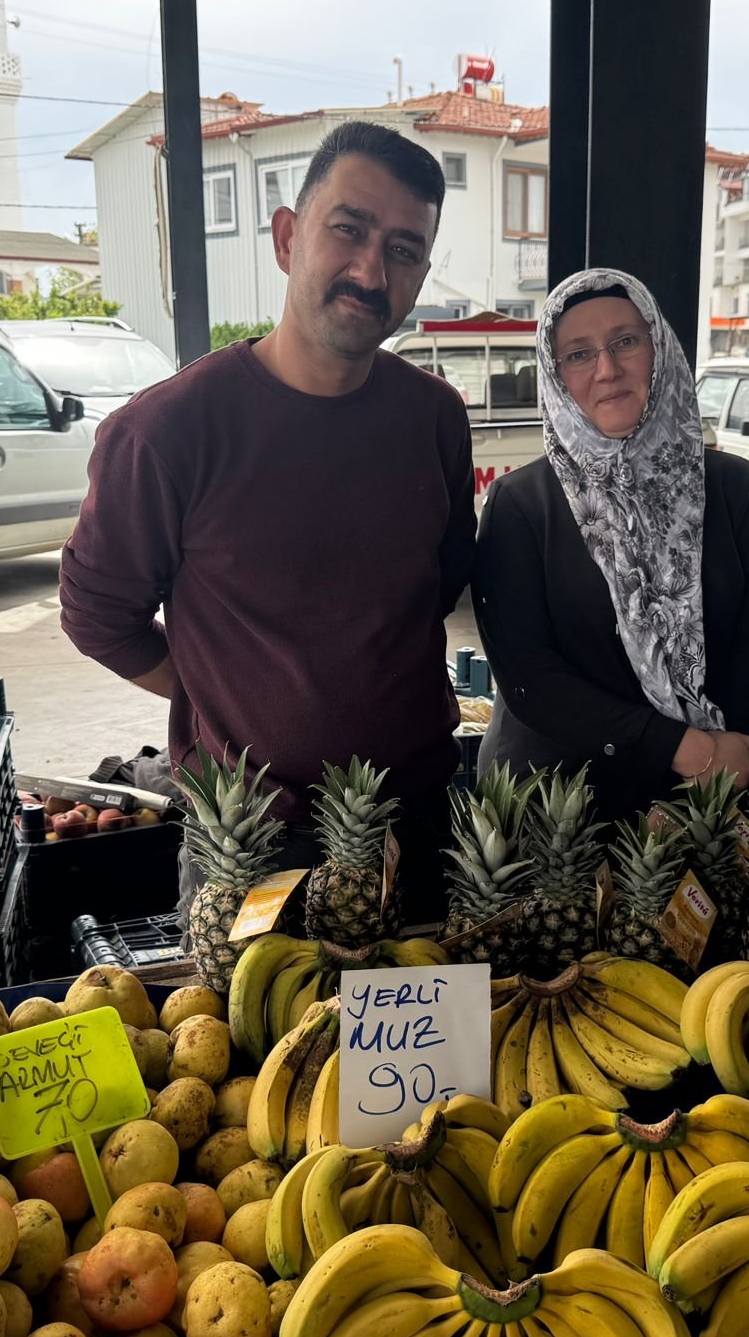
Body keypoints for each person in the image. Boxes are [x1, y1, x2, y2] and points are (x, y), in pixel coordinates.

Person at [60, 120, 476, 916]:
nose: (369, 269)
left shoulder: (434, 419)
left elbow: (441, 579)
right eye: (348, 230)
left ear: (421, 272)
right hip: (252, 847)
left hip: (414, 828)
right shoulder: (167, 431)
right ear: (287, 237)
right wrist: (220, 693)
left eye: (403, 249)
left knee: (429, 1044)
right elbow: (95, 613)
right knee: (242, 1045)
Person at [472, 268, 749, 820]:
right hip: (557, 813)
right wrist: (682, 750)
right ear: (554, 373)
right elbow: (529, 677)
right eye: (578, 354)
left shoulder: (733, 489)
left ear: (658, 346)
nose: (607, 369)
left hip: (705, 795)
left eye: (625, 341)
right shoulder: (520, 505)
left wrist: (721, 754)